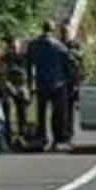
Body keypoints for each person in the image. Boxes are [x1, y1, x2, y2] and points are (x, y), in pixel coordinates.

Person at [27, 20, 71, 151]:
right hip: (57, 83)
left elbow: (29, 65)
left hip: (41, 82)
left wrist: (30, 82)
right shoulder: (59, 45)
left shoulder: (34, 44)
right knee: (58, 113)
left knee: (41, 113)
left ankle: (41, 138)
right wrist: (68, 79)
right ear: (52, 30)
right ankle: (58, 140)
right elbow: (67, 63)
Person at [0, 33, 31, 150]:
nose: (14, 48)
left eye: (16, 45)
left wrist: (27, 87)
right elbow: (2, 74)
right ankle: (9, 139)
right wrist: (9, 86)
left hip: (21, 87)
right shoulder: (4, 58)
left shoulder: (23, 57)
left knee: (22, 113)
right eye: (12, 46)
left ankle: (22, 136)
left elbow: (28, 72)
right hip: (8, 88)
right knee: (8, 115)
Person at [59, 22, 84, 147]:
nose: (65, 34)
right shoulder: (58, 45)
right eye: (63, 32)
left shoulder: (75, 45)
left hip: (72, 80)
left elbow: (80, 63)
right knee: (61, 109)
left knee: (69, 109)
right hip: (60, 80)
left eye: (66, 32)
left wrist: (78, 82)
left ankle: (69, 134)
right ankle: (62, 134)